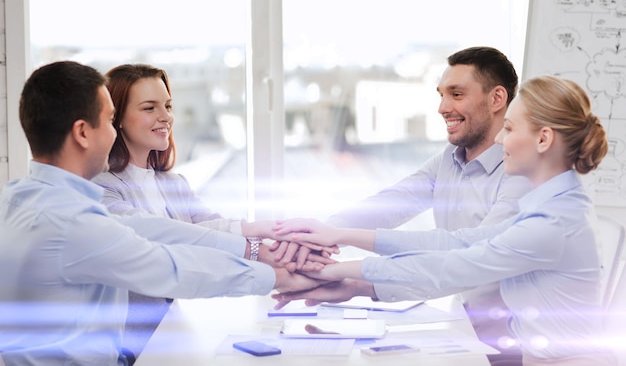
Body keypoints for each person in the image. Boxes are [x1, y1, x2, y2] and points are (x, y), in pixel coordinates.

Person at [273, 75, 616, 365]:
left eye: (509, 128)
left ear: (543, 139)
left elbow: (454, 266)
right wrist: (343, 237)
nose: (499, 139)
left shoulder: (553, 222)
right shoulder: (552, 205)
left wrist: (333, 272)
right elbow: (457, 242)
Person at [0, 61, 323, 366]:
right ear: (83, 133)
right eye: (110, 121)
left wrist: (255, 245)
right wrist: (277, 275)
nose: (113, 133)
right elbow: (170, 267)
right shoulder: (74, 222)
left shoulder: (16, 199)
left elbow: (152, 229)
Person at [285, 46, 532, 362]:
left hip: (515, 347)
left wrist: (357, 281)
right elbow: (390, 204)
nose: (443, 108)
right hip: (465, 326)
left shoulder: (522, 174)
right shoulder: (450, 160)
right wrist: (311, 237)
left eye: (456, 94)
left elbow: (467, 262)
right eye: (441, 95)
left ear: (497, 99)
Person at [91, 64, 334, 360]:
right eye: (149, 108)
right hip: (129, 347)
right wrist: (262, 252)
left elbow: (210, 227)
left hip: (172, 334)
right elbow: (174, 243)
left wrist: (275, 239)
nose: (165, 116)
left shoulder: (172, 184)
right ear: (117, 119)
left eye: (168, 105)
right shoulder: (102, 190)